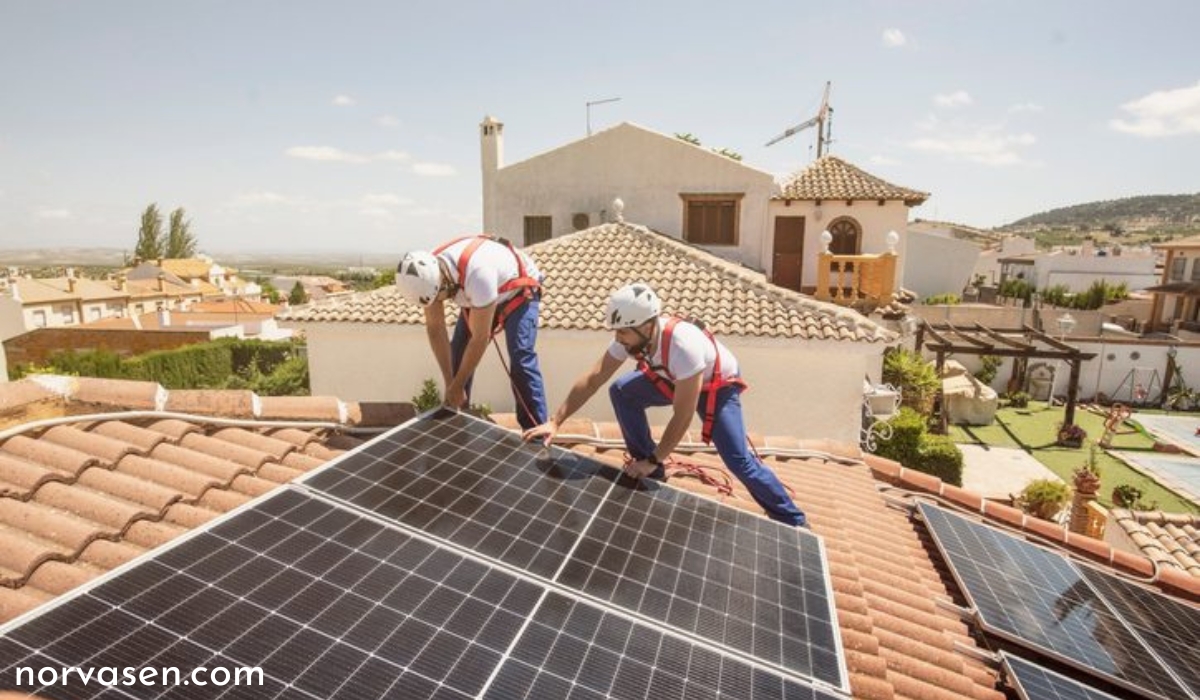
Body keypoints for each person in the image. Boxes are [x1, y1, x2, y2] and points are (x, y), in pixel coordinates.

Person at [523, 283, 807, 527]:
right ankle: (650, 469)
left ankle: (792, 519)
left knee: (738, 460)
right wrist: (556, 420)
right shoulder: (633, 335)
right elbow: (595, 376)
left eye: (623, 334)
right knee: (621, 391)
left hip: (716, 387)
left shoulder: (683, 346)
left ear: (647, 326)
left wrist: (655, 458)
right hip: (671, 377)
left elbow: (682, 416)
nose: (618, 340)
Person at [396, 234, 548, 430]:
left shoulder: (479, 275)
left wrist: (458, 385)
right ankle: (458, 418)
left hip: (519, 292)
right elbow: (436, 330)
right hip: (479, 294)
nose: (440, 302)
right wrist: (451, 383)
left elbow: (479, 339)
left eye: (440, 296)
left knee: (520, 357)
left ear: (445, 281)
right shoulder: (426, 278)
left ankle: (536, 430)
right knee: (458, 354)